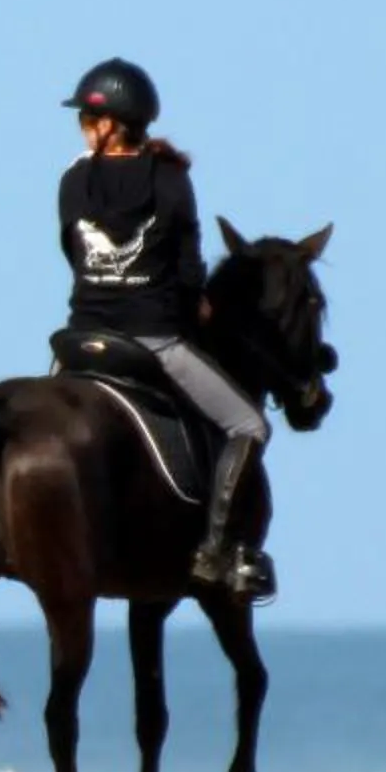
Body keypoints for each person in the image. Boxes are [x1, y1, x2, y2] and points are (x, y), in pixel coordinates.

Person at [58, 57, 274, 600]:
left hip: (79, 342)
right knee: (249, 425)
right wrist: (193, 305)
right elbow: (188, 271)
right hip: (151, 340)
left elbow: (72, 254)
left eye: (87, 119)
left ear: (111, 126)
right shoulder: (172, 180)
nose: (82, 128)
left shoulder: (72, 180)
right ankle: (215, 550)